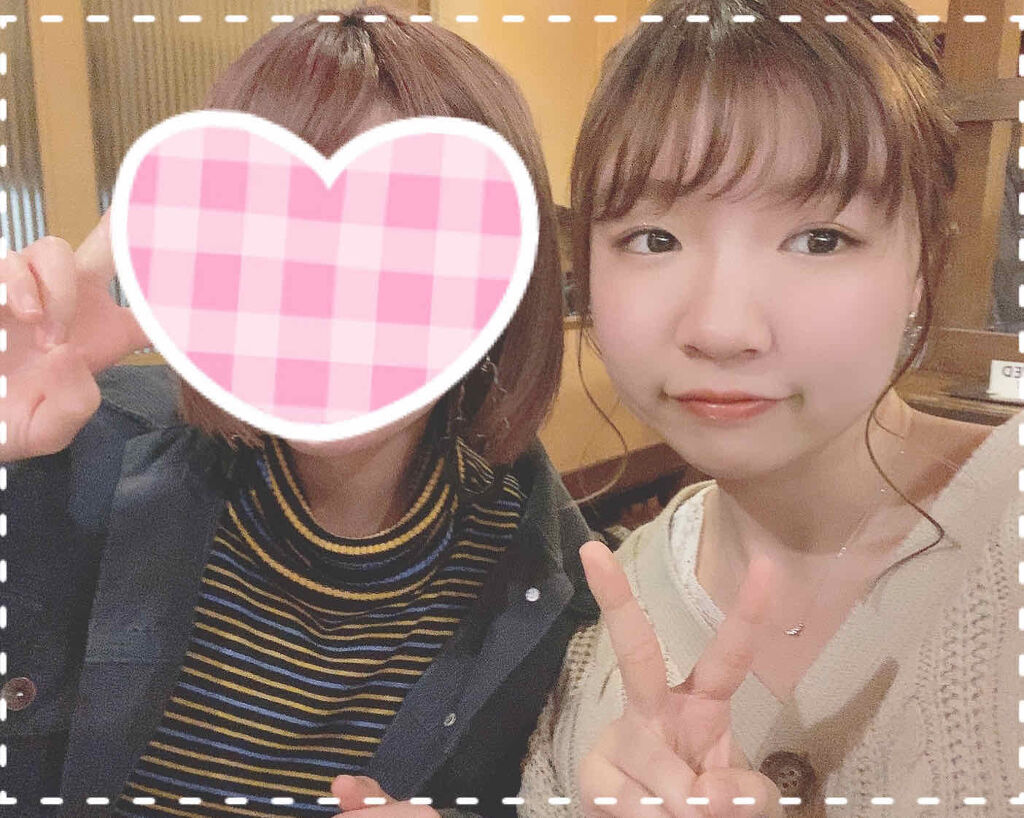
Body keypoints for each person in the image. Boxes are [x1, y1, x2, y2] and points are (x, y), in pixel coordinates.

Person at [1, 8, 602, 817]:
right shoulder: (68, 470)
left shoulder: (547, 585)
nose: (333, 309)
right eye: (276, 243)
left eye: (406, 247)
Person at [521, 1, 1024, 815]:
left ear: (925, 263)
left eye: (820, 238)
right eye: (653, 238)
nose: (723, 329)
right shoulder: (590, 643)